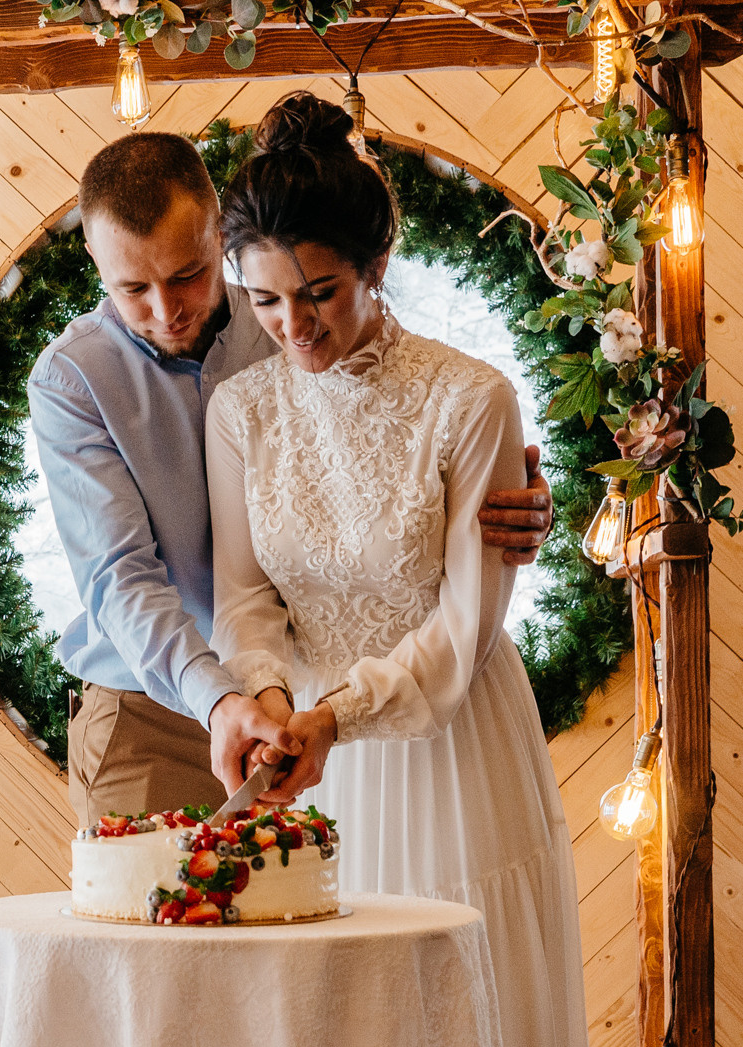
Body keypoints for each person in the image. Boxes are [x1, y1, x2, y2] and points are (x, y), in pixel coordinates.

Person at [207, 93, 616, 1047]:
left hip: (444, 754)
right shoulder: (243, 409)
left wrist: (337, 712)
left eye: (315, 294)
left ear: (372, 267)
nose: (294, 329)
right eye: (265, 302)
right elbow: (245, 599)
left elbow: (458, 636)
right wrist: (273, 707)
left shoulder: (471, 399)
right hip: (309, 768)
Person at [28, 130, 554, 827]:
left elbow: (403, 450)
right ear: (93, 258)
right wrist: (223, 699)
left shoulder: (292, 307)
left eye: (187, 273)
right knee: (155, 922)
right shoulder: (72, 379)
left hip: (307, 712)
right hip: (147, 713)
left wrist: (504, 512)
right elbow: (120, 575)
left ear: (219, 234)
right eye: (132, 288)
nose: (166, 309)